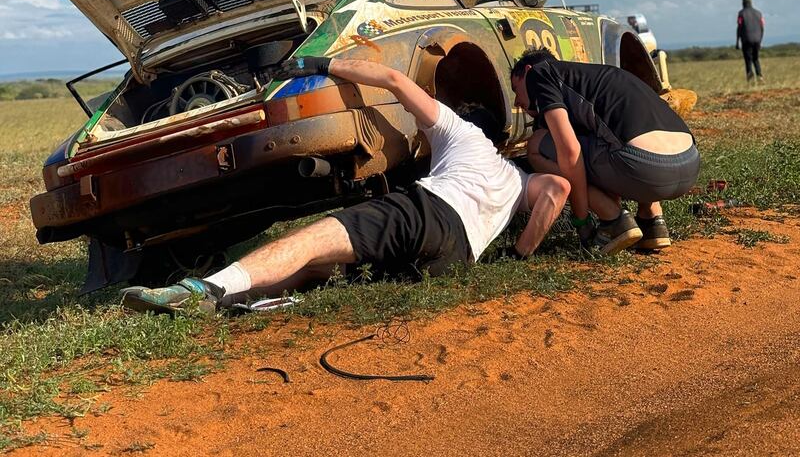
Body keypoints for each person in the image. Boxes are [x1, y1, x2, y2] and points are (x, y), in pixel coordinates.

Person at [122, 57, 571, 316]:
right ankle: (239, 303)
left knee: (310, 239)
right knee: (323, 268)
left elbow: (395, 81)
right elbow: (557, 192)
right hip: (455, 258)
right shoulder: (517, 178)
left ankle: (204, 290)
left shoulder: (460, 131)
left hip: (429, 211)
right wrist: (519, 253)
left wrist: (319, 64)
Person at [510, 51, 700, 256]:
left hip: (646, 169)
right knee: (616, 133)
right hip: (690, 163)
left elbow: (570, 152)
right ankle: (651, 220)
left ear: (527, 71)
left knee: (537, 145)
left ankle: (613, 220)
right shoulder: (603, 77)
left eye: (515, 89)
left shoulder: (541, 73)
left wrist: (581, 221)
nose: (516, 102)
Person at [736, 0, 765, 83]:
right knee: (756, 58)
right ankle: (760, 76)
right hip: (757, 40)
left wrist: (737, 41)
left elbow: (739, 27)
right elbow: (762, 27)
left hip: (746, 39)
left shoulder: (741, 13)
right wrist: (760, 40)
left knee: (748, 59)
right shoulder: (759, 13)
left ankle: (750, 77)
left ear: (743, 3)